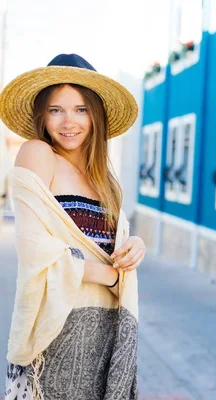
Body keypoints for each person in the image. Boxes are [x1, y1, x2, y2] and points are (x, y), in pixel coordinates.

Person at [0, 54, 144, 400]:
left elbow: (108, 247)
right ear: (42, 115)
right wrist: (111, 277)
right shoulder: (37, 154)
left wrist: (134, 244)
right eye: (56, 109)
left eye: (81, 109)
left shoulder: (105, 180)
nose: (69, 122)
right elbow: (37, 251)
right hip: (55, 335)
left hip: (107, 333)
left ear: (96, 115)